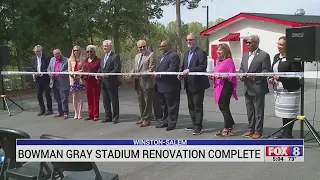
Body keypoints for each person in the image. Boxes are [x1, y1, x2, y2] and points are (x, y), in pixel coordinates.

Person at [268, 36, 302, 139]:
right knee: (283, 113)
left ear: (288, 46)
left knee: (290, 113)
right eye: (278, 44)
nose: (279, 46)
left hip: (290, 90)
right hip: (279, 89)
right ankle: (284, 132)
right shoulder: (276, 57)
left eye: (281, 45)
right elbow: (272, 70)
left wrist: (281, 78)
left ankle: (288, 134)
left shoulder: (293, 58)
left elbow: (297, 75)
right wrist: (271, 78)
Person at [239, 35, 271, 139]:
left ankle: (258, 131)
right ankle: (251, 129)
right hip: (247, 87)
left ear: (256, 43)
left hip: (258, 87)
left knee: (258, 111)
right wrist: (241, 75)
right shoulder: (244, 55)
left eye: (250, 42)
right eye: (246, 42)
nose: (247, 44)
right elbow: (241, 68)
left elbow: (266, 72)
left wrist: (254, 76)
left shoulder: (264, 55)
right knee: (250, 110)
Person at [178, 33, 210, 135]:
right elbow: (183, 67)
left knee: (197, 106)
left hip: (198, 84)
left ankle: (198, 126)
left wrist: (190, 70)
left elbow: (202, 66)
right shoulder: (186, 54)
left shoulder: (201, 52)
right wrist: (181, 74)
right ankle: (194, 122)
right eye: (187, 40)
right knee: (190, 105)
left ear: (196, 41)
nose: (189, 41)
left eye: (191, 40)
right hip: (188, 83)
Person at [210, 43, 238, 137]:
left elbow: (231, 74)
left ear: (225, 51)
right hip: (219, 86)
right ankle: (230, 126)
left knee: (224, 107)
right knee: (222, 106)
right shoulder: (218, 61)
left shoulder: (229, 61)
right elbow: (217, 72)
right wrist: (213, 76)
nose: (218, 51)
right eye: (217, 49)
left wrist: (222, 76)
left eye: (220, 50)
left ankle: (227, 128)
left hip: (226, 86)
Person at [153, 40, 181, 131]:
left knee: (172, 106)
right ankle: (165, 121)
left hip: (171, 86)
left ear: (169, 46)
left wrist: (159, 75)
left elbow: (172, 70)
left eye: (164, 46)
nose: (162, 48)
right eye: (160, 46)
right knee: (164, 106)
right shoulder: (159, 57)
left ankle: (172, 123)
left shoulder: (174, 56)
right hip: (160, 86)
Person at [130, 40, 155, 127]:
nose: (142, 48)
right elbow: (135, 68)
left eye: (143, 46)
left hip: (147, 82)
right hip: (138, 82)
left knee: (147, 101)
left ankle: (147, 119)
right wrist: (131, 74)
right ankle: (142, 117)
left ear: (146, 46)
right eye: (140, 47)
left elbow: (151, 69)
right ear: (138, 48)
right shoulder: (137, 56)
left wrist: (140, 75)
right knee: (141, 101)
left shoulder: (151, 55)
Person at [98, 40, 121, 124]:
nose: (104, 47)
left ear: (110, 47)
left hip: (112, 82)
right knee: (105, 101)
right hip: (103, 82)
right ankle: (108, 116)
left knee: (114, 100)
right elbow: (100, 68)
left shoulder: (115, 56)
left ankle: (115, 117)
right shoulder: (103, 56)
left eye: (106, 46)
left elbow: (117, 69)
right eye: (103, 46)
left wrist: (107, 74)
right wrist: (98, 74)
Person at [47, 49, 70, 119]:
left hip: (63, 81)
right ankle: (60, 112)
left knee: (64, 97)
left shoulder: (66, 60)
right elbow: (48, 68)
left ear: (61, 53)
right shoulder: (52, 60)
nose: (57, 55)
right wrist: (50, 73)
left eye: (58, 53)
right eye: (55, 54)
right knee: (57, 97)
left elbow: (69, 70)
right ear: (53, 55)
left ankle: (65, 112)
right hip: (54, 81)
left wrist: (60, 73)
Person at [31, 45, 53, 116]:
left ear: (41, 50)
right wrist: (34, 73)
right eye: (36, 51)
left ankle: (49, 110)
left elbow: (49, 68)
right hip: (38, 79)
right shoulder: (33, 58)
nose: (38, 53)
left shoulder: (47, 58)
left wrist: (41, 73)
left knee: (47, 94)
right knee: (38, 94)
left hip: (45, 78)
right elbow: (33, 68)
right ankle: (42, 110)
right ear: (34, 52)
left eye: (39, 51)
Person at [82, 45, 102, 121]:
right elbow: (83, 70)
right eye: (88, 51)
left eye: (91, 51)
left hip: (95, 81)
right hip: (87, 81)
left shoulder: (98, 60)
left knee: (95, 98)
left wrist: (98, 75)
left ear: (94, 52)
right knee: (89, 98)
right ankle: (90, 114)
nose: (89, 53)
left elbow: (99, 70)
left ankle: (96, 115)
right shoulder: (86, 60)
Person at [68, 45, 86, 120]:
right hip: (73, 79)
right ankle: (76, 112)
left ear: (80, 51)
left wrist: (79, 73)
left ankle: (80, 113)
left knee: (81, 97)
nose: (76, 52)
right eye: (74, 50)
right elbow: (69, 69)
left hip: (80, 79)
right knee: (74, 97)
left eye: (77, 50)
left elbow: (84, 69)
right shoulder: (70, 59)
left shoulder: (83, 59)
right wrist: (72, 73)